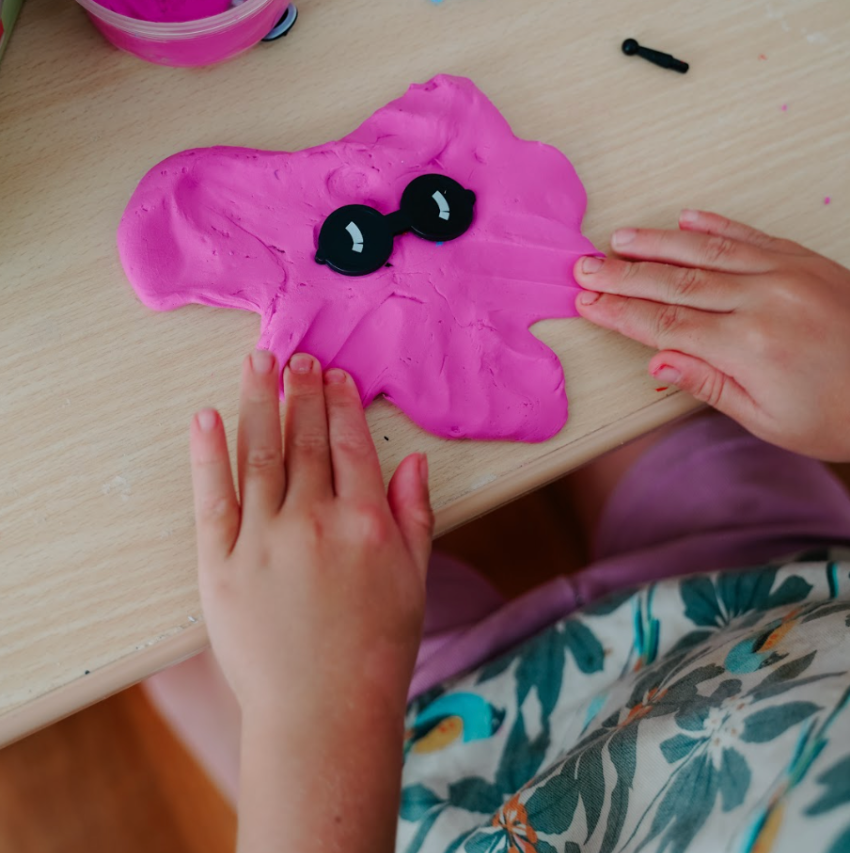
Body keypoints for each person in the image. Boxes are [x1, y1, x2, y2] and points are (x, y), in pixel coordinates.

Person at [146, 208, 850, 853]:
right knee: (624, 340)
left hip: (429, 762)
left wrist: (309, 713)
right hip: (776, 607)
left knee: (173, 584)